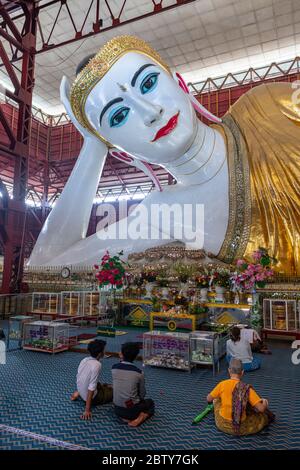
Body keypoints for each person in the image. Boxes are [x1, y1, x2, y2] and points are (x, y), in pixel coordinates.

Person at [207, 358, 274, 435]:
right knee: (262, 416)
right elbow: (261, 409)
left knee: (217, 399)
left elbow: (209, 398)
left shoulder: (222, 384)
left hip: (222, 424)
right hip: (240, 427)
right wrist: (265, 402)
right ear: (242, 372)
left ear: (229, 370)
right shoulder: (246, 389)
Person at [112, 342, 154, 427]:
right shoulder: (139, 373)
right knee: (150, 402)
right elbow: (142, 394)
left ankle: (125, 417)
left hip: (116, 409)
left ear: (122, 354)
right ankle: (141, 417)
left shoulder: (114, 368)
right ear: (135, 356)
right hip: (131, 412)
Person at [71, 339, 112, 420]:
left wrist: (79, 391)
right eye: (104, 350)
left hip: (82, 391)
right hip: (92, 398)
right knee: (114, 392)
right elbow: (91, 388)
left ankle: (79, 393)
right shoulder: (97, 365)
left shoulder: (84, 360)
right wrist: (87, 410)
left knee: (103, 385)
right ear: (100, 354)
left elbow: (79, 377)